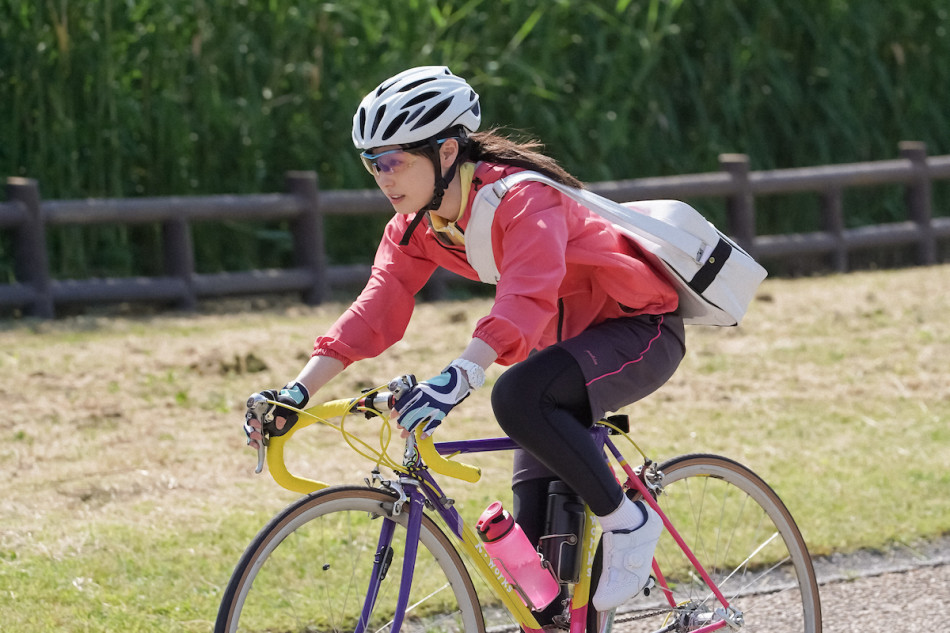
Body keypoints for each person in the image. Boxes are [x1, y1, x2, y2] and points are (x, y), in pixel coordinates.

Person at [244, 66, 686, 621]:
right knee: (540, 595)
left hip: (638, 328)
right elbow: (376, 308)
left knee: (517, 396)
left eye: (394, 161)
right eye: (371, 163)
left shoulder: (524, 198)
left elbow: (526, 297)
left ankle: (628, 522)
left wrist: (462, 375)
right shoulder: (415, 225)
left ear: (447, 151)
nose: (382, 177)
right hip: (559, 354)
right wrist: (297, 391)